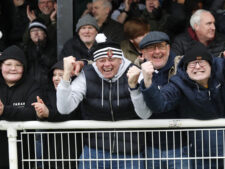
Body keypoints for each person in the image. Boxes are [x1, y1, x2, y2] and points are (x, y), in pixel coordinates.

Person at [133, 42, 225, 169]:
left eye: (202, 62)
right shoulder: (179, 83)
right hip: (201, 156)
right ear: (185, 69)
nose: (197, 67)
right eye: (192, 64)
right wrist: (148, 81)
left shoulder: (222, 69)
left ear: (211, 64)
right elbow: (160, 104)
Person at [56, 35, 144, 169]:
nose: (107, 64)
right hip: (94, 152)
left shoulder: (135, 72)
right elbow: (64, 108)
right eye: (101, 60)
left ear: (121, 60)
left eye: (112, 59)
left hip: (130, 153)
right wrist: (66, 75)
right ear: (95, 62)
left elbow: (145, 113)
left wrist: (134, 87)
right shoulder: (87, 74)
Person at [127, 31, 189, 169]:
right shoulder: (135, 70)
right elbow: (112, 64)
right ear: (142, 53)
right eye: (150, 48)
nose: (157, 52)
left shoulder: (183, 66)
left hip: (182, 145)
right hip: (150, 147)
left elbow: (205, 59)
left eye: (161, 46)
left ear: (169, 48)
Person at [32, 60, 81, 169]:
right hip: (51, 150)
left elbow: (69, 113)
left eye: (61, 75)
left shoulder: (77, 93)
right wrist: (40, 114)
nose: (56, 78)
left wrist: (48, 113)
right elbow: (43, 117)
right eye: (54, 75)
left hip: (74, 148)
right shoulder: (47, 94)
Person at [0, 45, 40, 169]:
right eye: (8, 64)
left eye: (18, 65)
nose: (13, 68)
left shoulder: (33, 85)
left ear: (24, 67)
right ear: (1, 66)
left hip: (24, 154)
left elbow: (33, 112)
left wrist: (4, 111)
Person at [23, 18, 57, 88]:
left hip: (49, 87)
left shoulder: (54, 47)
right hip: (30, 87)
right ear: (30, 35)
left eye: (39, 30)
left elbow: (51, 64)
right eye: (32, 31)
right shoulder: (25, 49)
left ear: (45, 34)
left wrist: (41, 48)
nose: (35, 33)